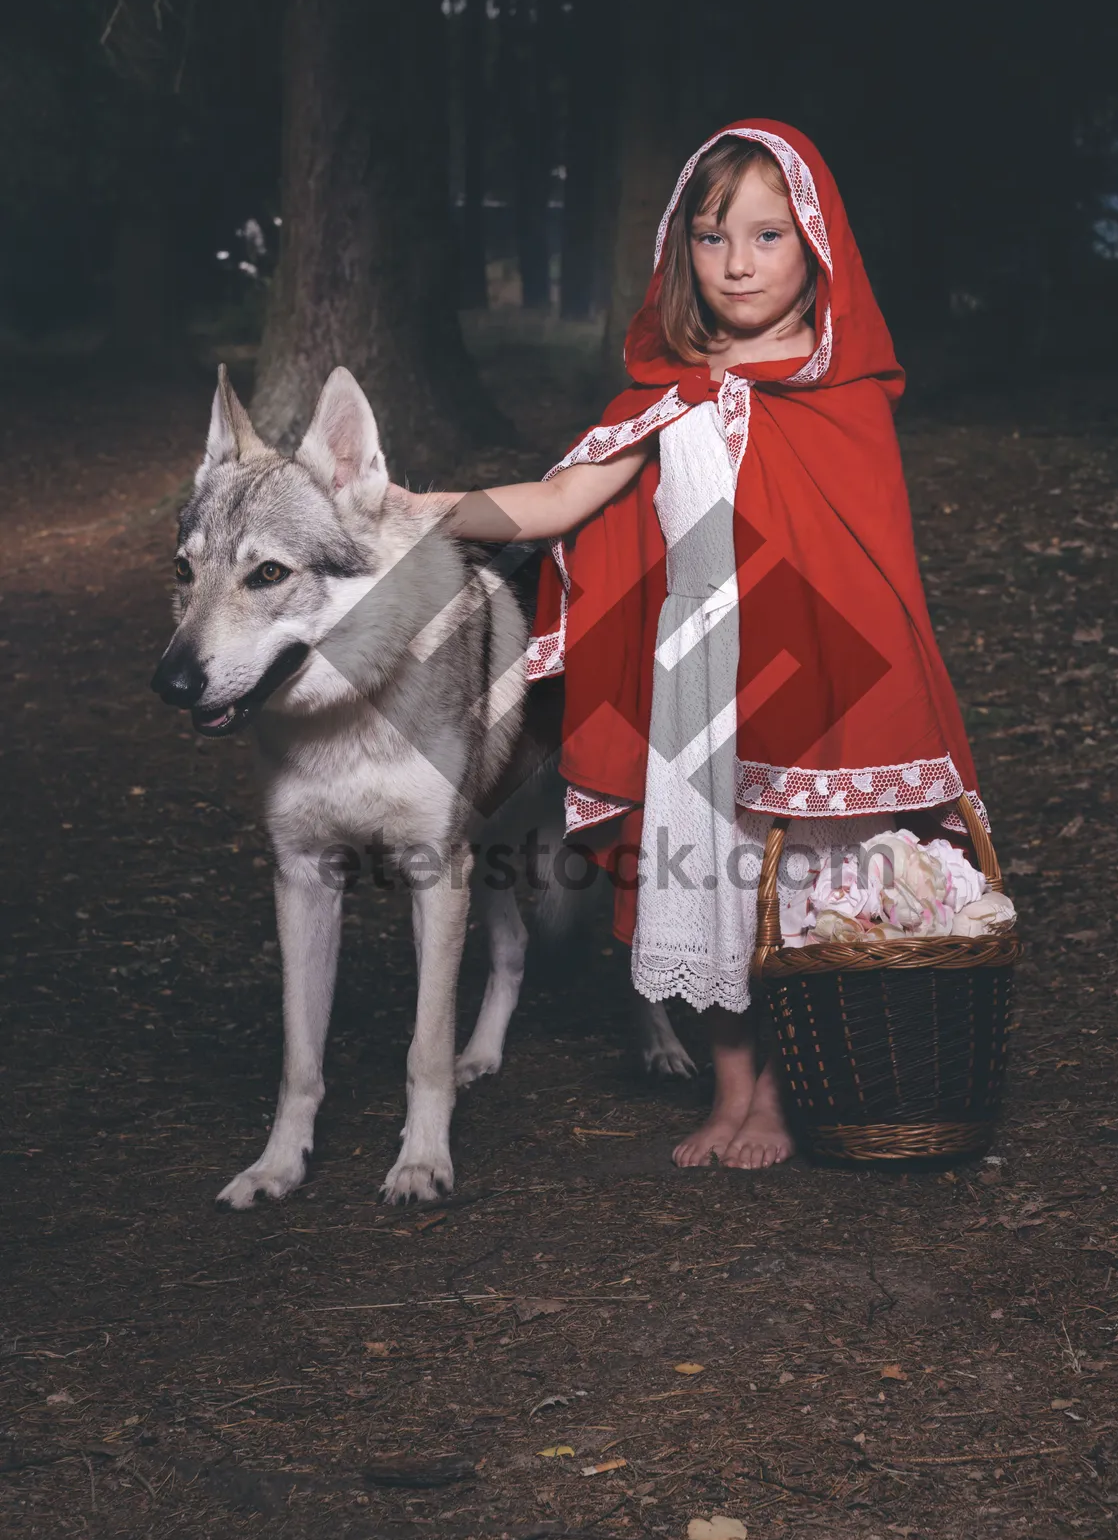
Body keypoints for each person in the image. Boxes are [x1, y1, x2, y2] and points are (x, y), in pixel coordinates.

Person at [403, 120, 986, 1173]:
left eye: (768, 237)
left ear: (816, 246)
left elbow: (871, 573)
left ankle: (779, 1096)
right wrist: (423, 506)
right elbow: (556, 501)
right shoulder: (666, 396)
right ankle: (727, 1087)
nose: (739, 264)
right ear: (683, 252)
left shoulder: (839, 398)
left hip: (815, 684)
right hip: (697, 677)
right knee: (715, 882)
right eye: (714, 238)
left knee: (797, 886)